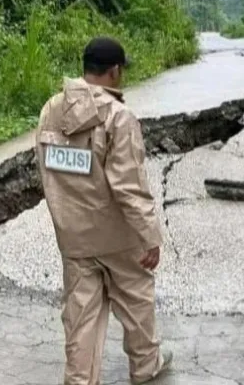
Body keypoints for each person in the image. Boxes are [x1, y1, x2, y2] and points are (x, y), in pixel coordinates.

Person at [34, 36, 173, 385]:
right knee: (137, 300)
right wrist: (149, 236)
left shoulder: (51, 109)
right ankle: (145, 369)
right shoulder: (118, 117)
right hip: (117, 238)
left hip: (74, 237)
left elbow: (47, 170)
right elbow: (129, 186)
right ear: (114, 72)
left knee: (81, 317)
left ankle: (80, 380)